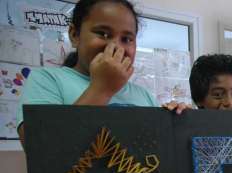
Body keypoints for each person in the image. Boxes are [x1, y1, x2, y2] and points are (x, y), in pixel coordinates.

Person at [16, 0, 188, 147]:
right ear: (75, 35)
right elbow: (40, 149)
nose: (116, 46)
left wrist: (178, 123)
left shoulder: (143, 96)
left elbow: (159, 153)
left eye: (127, 39)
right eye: (103, 34)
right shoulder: (47, 80)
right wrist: (102, 89)